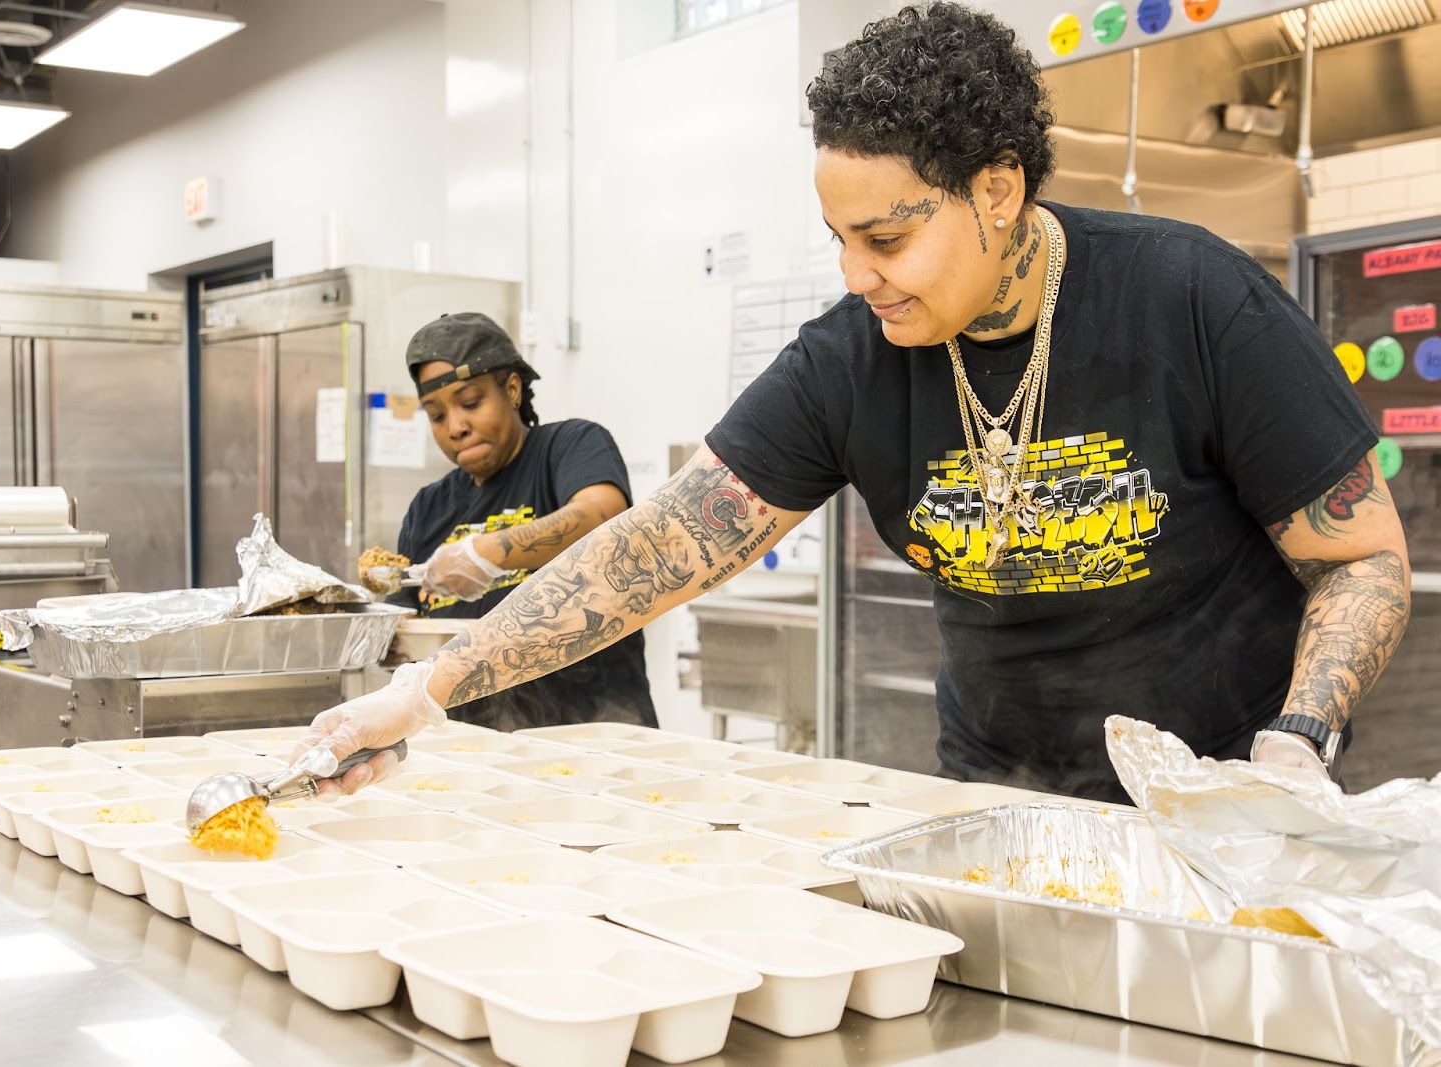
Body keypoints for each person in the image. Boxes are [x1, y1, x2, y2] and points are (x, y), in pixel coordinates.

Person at [299, 3, 1410, 803]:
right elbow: (661, 544)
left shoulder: (1191, 296)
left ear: (999, 189)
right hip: (996, 790)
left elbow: (1358, 556)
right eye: (839, 238)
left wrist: (1297, 740)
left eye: (886, 237)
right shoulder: (853, 358)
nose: (856, 274)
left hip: (1226, 793)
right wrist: (432, 688)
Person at [381, 311, 657, 732]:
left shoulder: (568, 448)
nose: (456, 426)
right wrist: (392, 642)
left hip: (595, 728)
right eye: (436, 415)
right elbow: (401, 619)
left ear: (511, 390)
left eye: (471, 403)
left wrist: (487, 553)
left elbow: (603, 515)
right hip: (470, 743)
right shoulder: (428, 508)